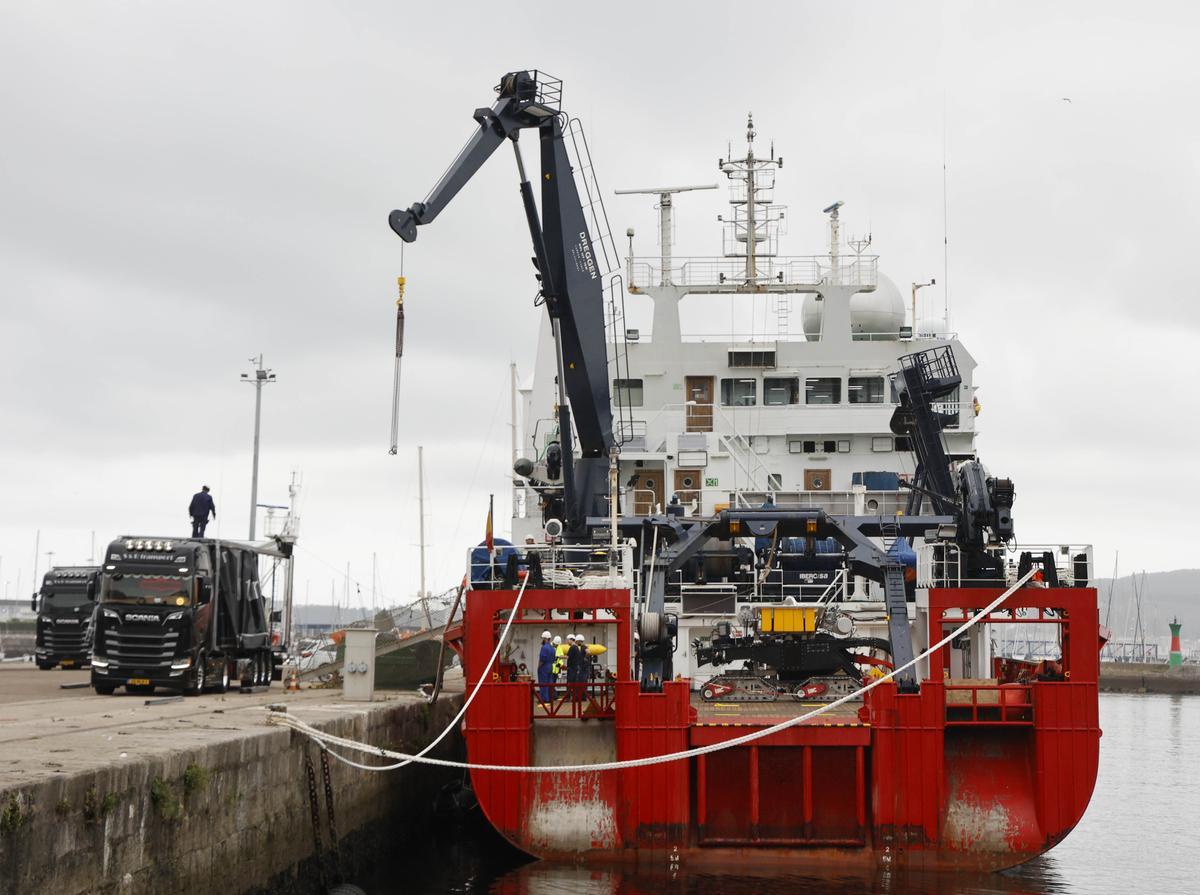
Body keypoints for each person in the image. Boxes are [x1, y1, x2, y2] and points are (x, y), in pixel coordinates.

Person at [566, 634, 587, 711]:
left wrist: (559, 656)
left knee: (570, 683)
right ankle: (578, 698)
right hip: (578, 668)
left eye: (568, 640)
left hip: (573, 669)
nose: (567, 641)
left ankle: (570, 698)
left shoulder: (573, 647)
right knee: (577, 684)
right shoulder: (579, 648)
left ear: (572, 640)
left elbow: (568, 657)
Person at [536, 630, 555, 703]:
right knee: (550, 683)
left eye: (543, 639)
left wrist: (538, 667)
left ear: (545, 639)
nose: (542, 640)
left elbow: (542, 659)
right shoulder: (552, 648)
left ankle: (544, 699)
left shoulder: (544, 648)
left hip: (544, 667)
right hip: (550, 667)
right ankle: (550, 698)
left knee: (543, 683)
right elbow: (553, 659)